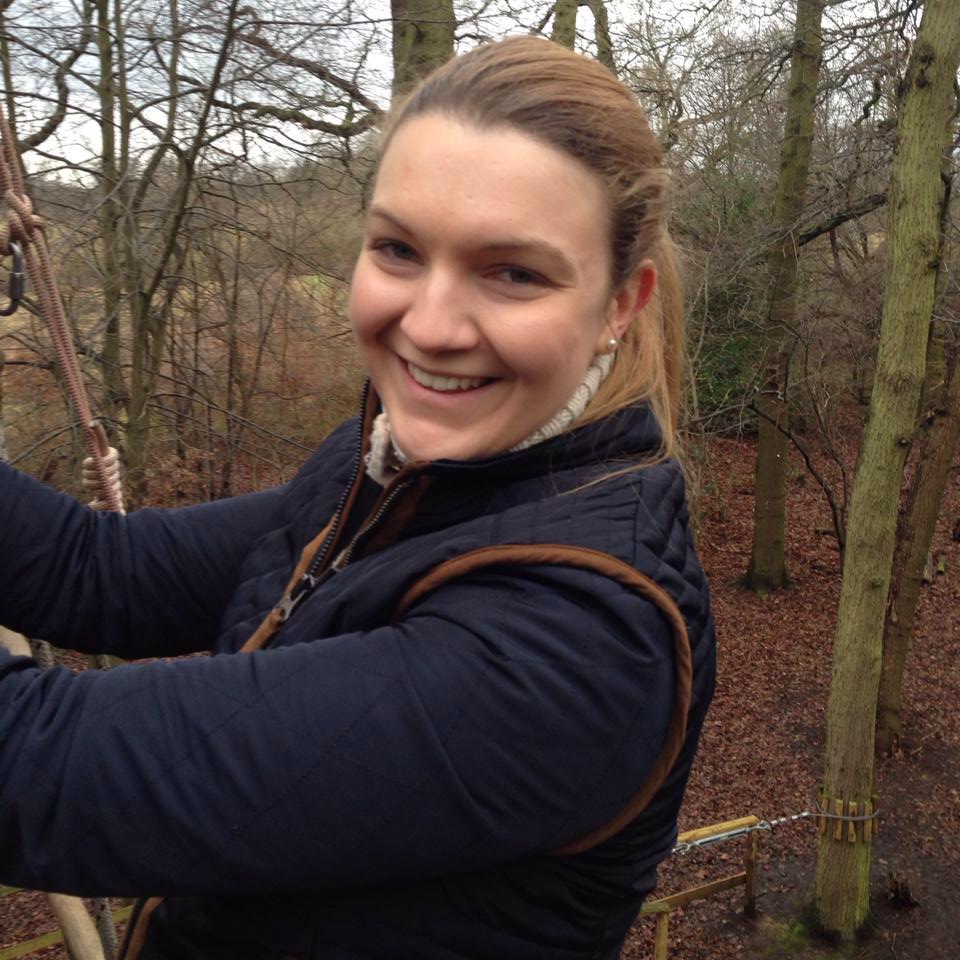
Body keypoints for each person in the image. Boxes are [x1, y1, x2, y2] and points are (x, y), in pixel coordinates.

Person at [0, 35, 715, 960]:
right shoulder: (388, 468)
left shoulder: (584, 642)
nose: (430, 324)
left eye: (514, 272)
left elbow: (38, 768)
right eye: (398, 249)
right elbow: (101, 571)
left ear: (621, 303)